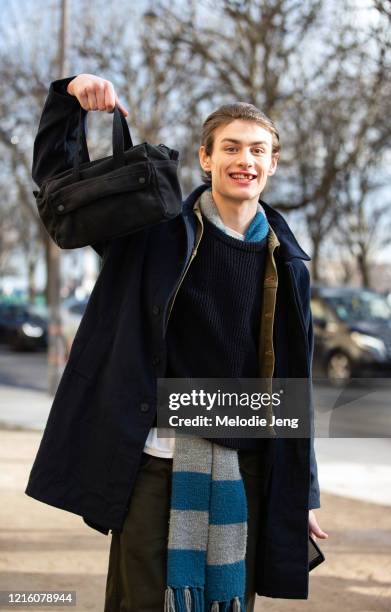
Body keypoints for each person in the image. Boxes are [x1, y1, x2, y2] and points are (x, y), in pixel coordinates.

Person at [26, 74, 328, 612]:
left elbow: (291, 390)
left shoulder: (289, 263)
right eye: (231, 147)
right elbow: (60, 191)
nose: (246, 160)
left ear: (273, 164)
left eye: (258, 150)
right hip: (155, 463)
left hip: (247, 469)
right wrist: (68, 100)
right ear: (206, 159)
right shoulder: (158, 233)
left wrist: (299, 493)